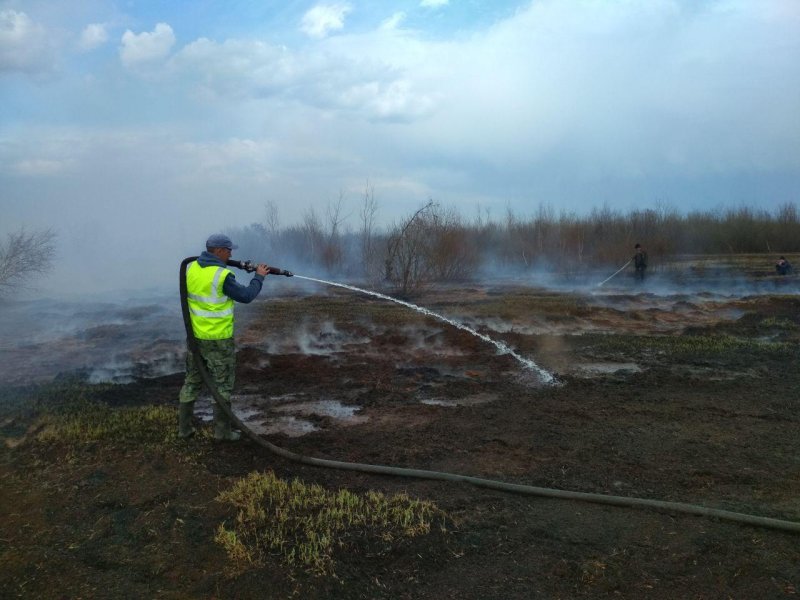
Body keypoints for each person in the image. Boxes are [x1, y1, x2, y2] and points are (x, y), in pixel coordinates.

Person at [178, 233, 269, 441]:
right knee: (222, 385)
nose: (231, 254)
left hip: (195, 338)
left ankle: (184, 430)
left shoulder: (191, 268)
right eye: (228, 250)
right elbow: (246, 296)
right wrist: (259, 277)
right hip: (218, 340)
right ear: (218, 251)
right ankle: (223, 432)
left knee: (191, 382)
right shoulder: (222, 275)